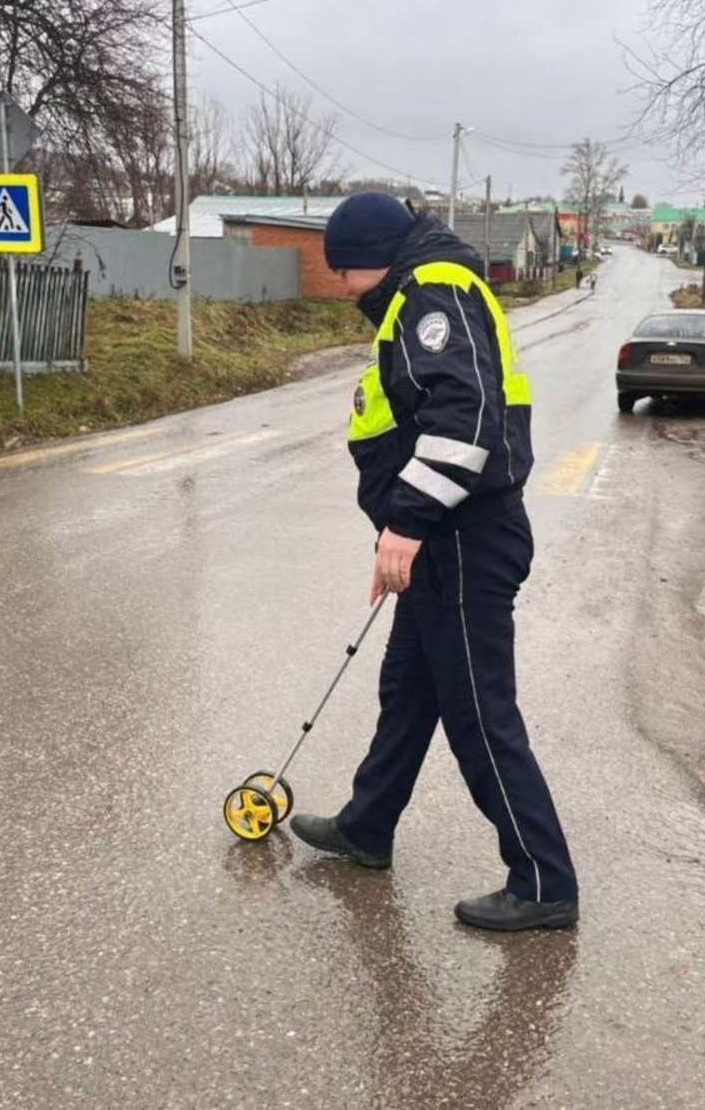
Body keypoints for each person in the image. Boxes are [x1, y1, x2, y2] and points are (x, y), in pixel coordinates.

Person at [288, 192, 579, 932]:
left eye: (344, 272)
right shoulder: (416, 293)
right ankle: (367, 827)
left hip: (462, 537)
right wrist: (399, 530)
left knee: (478, 714)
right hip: (440, 536)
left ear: (372, 258)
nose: (342, 288)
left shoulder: (432, 292)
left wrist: (407, 524)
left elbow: (465, 417)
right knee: (408, 691)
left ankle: (543, 880)